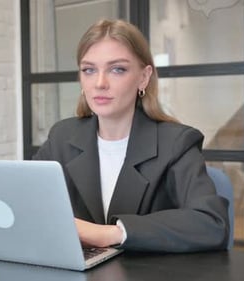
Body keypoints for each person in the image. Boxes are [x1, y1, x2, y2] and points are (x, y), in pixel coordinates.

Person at [32, 19, 229, 252]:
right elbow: (26, 202)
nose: (100, 83)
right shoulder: (62, 136)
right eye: (89, 70)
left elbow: (212, 224)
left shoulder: (176, 143)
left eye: (117, 69)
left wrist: (113, 233)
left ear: (144, 77)